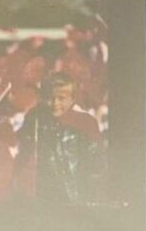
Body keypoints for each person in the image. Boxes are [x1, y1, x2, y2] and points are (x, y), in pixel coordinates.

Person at [13, 73, 102, 203]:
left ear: (72, 99)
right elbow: (23, 150)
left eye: (61, 98)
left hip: (76, 194)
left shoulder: (86, 122)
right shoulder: (35, 116)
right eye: (50, 98)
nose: (55, 103)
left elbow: (96, 163)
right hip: (43, 193)